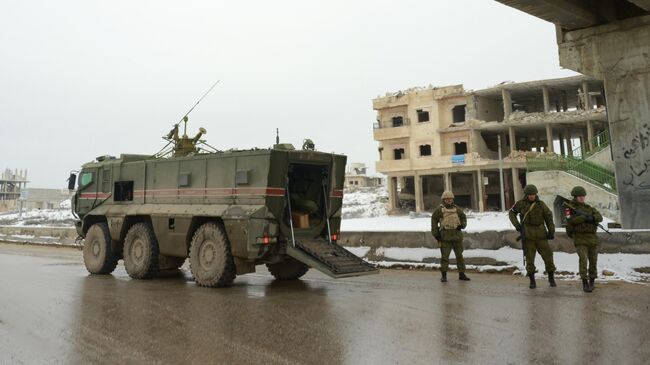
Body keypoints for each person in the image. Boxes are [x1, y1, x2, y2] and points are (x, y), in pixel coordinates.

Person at [508, 184, 556, 289]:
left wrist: (551, 231)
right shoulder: (520, 204)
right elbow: (511, 213)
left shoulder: (541, 204)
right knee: (530, 260)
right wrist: (517, 226)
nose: (531, 196)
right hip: (528, 236)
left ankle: (551, 277)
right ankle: (532, 280)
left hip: (541, 235)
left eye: (533, 194)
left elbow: (548, 217)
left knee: (548, 257)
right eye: (529, 195)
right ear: (526, 195)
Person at [564, 186, 603, 293]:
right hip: (579, 238)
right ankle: (585, 282)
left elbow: (600, 217)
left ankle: (592, 281)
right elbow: (570, 220)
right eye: (579, 196)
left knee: (593, 261)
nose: (581, 198)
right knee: (583, 260)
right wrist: (583, 218)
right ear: (575, 197)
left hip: (592, 238)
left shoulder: (588, 208)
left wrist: (591, 218)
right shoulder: (569, 208)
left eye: (583, 196)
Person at [431, 191, 469, 282]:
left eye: (450, 199)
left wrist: (462, 225)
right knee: (445, 258)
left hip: (457, 236)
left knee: (459, 256)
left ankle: (462, 274)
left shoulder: (457, 209)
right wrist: (436, 235)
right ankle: (444, 276)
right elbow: (434, 221)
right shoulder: (439, 210)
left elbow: (463, 217)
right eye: (447, 199)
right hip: (445, 238)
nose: (449, 200)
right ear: (443, 200)